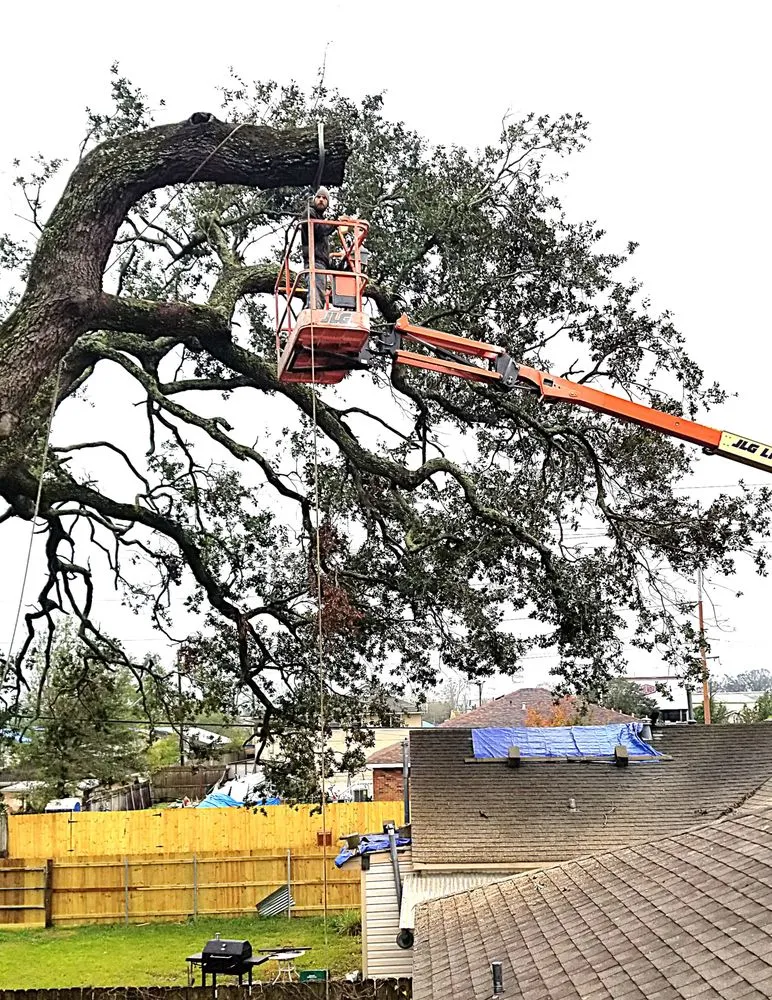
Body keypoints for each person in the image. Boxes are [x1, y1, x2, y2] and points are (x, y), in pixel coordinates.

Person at [299, 186, 336, 309]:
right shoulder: (309, 213)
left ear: (327, 203)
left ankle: (313, 310)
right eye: (318, 197)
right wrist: (335, 224)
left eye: (324, 198)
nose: (321, 200)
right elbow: (318, 230)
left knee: (319, 290)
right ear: (314, 199)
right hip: (314, 261)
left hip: (321, 262)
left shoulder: (321, 219)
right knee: (316, 291)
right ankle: (312, 312)